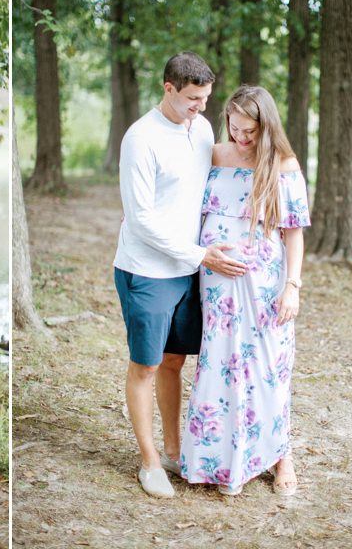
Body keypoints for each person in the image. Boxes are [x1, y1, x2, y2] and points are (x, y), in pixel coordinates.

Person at [113, 52, 248, 498]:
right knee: (146, 365)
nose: (201, 107)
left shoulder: (203, 128)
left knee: (175, 361)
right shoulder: (141, 138)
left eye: (205, 98)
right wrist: (201, 255)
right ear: (168, 88)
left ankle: (173, 451)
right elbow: (140, 220)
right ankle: (149, 462)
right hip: (147, 271)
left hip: (191, 269)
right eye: (192, 98)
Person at [179, 85, 310, 497]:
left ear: (266, 127)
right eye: (234, 128)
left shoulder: (283, 165)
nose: (241, 137)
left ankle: (281, 454)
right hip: (217, 285)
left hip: (265, 286)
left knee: (269, 368)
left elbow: (294, 233)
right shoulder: (216, 156)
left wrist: (292, 286)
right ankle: (218, 460)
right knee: (221, 364)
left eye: (250, 131)